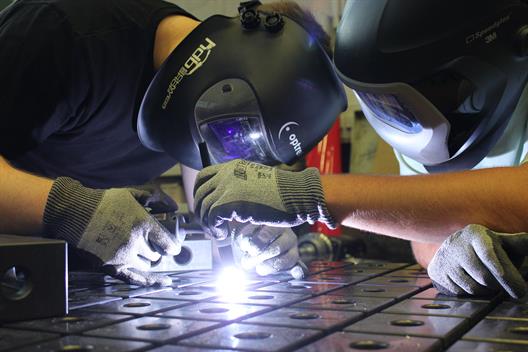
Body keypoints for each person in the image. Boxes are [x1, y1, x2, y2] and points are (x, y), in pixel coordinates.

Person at [193, 0, 528, 298]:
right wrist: (451, 251)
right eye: (383, 103)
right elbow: (424, 234)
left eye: (440, 87)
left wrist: (308, 194)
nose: (403, 118)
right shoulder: (413, 117)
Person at [0, 0, 346, 286]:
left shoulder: (206, 96)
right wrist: (72, 209)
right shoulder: (63, 35)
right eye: (234, 135)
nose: (228, 151)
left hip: (55, 282)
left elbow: (211, 186)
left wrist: (250, 224)